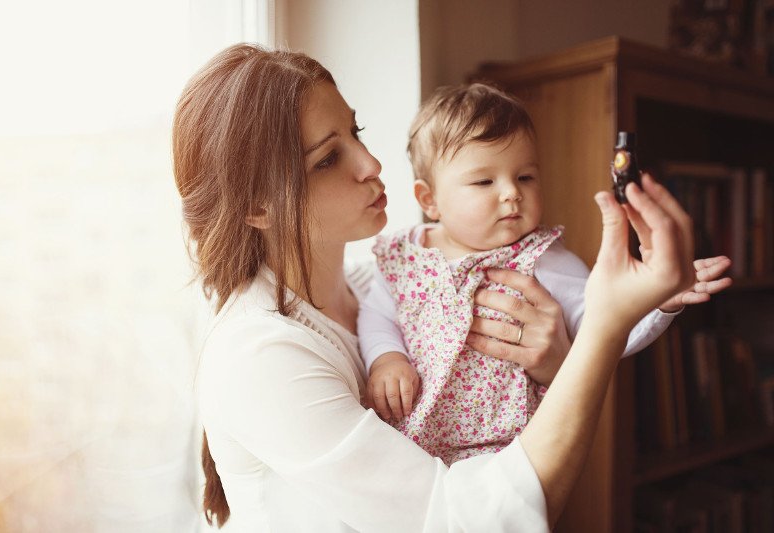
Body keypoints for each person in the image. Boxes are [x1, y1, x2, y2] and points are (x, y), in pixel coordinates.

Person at [174, 43, 698, 532]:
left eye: (357, 132)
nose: (372, 165)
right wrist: (603, 333)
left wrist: (560, 364)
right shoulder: (261, 353)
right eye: (328, 158)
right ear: (258, 207)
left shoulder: (385, 285)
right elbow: (464, 520)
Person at [357, 83, 732, 464]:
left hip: (503, 452)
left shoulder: (545, 261)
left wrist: (658, 298)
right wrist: (386, 358)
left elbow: (604, 330)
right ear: (429, 200)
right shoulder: (405, 254)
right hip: (409, 444)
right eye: (484, 181)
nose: (511, 193)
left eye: (525, 177)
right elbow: (377, 314)